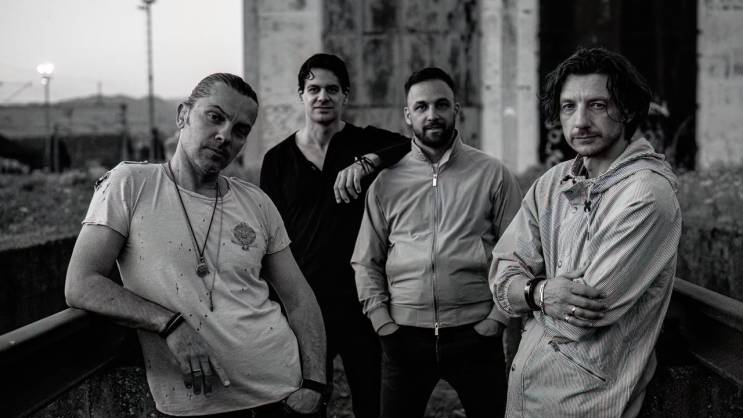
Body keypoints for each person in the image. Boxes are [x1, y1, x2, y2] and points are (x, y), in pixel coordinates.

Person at [65, 73, 327, 417]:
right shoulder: (130, 185)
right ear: (182, 115)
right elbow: (81, 284)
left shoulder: (256, 202)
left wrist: (314, 384)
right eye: (214, 117)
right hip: (195, 407)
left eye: (240, 130)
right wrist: (169, 324)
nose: (225, 136)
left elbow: (299, 298)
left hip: (284, 395)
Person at [489, 48, 682, 417]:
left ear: (627, 110)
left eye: (597, 105)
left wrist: (528, 296)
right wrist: (542, 292)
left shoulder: (646, 195)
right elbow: (501, 278)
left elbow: (580, 319)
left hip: (584, 403)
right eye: (568, 107)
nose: (580, 121)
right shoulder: (552, 183)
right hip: (525, 393)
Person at [351, 67, 522, 418]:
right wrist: (383, 323)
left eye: (441, 105)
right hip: (403, 338)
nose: (432, 115)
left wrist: (497, 319)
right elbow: (366, 260)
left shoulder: (492, 173)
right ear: (407, 115)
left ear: (456, 109)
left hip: (476, 334)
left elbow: (520, 253)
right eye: (421, 107)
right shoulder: (385, 182)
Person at [260, 53, 409, 418]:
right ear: (301, 95)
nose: (322, 96)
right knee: (307, 404)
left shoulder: (364, 142)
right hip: (305, 304)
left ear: (346, 95)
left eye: (331, 89)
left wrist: (368, 162)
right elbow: (268, 238)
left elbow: (412, 145)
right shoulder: (277, 159)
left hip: (361, 300)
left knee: (371, 402)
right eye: (313, 89)